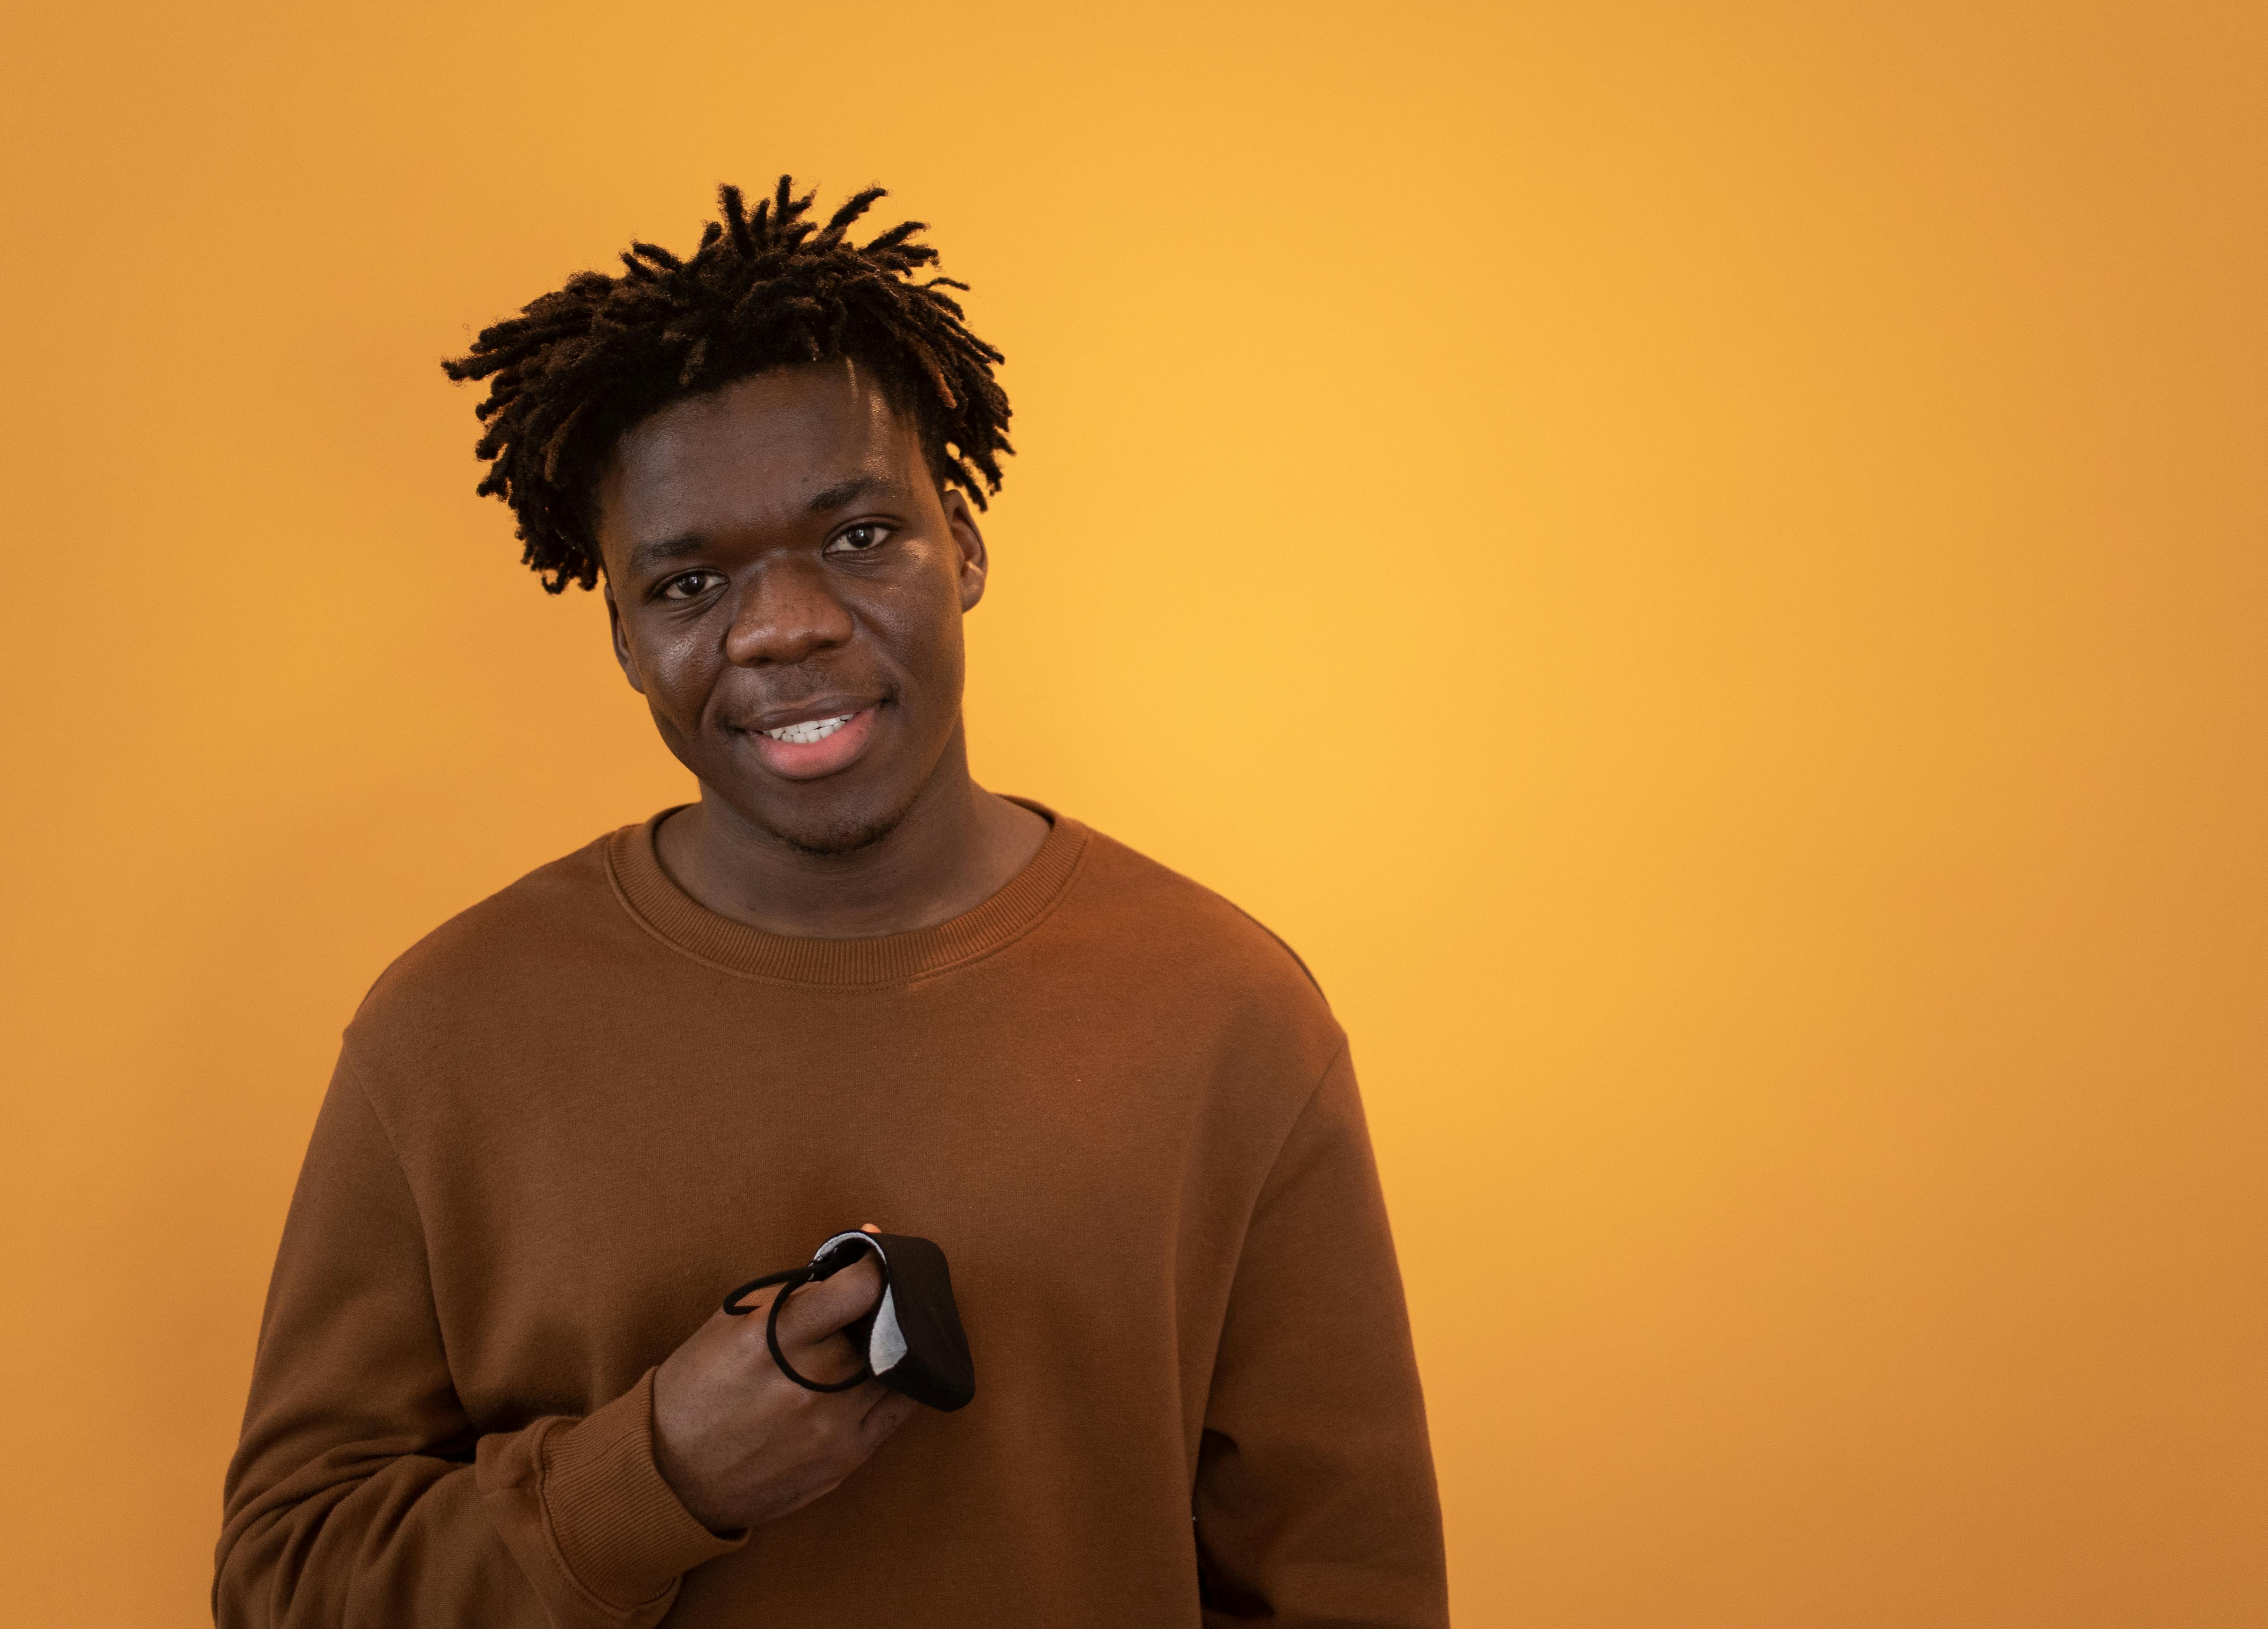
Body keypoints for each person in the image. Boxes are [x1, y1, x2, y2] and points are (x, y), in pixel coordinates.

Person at [215, 178, 1445, 1628]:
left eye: (859, 537)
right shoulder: (446, 1033)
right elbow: (284, 1586)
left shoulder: (1224, 1011)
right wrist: (660, 1470)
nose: (785, 623)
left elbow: (1347, 1587)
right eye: (686, 581)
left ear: (965, 546)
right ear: (620, 634)